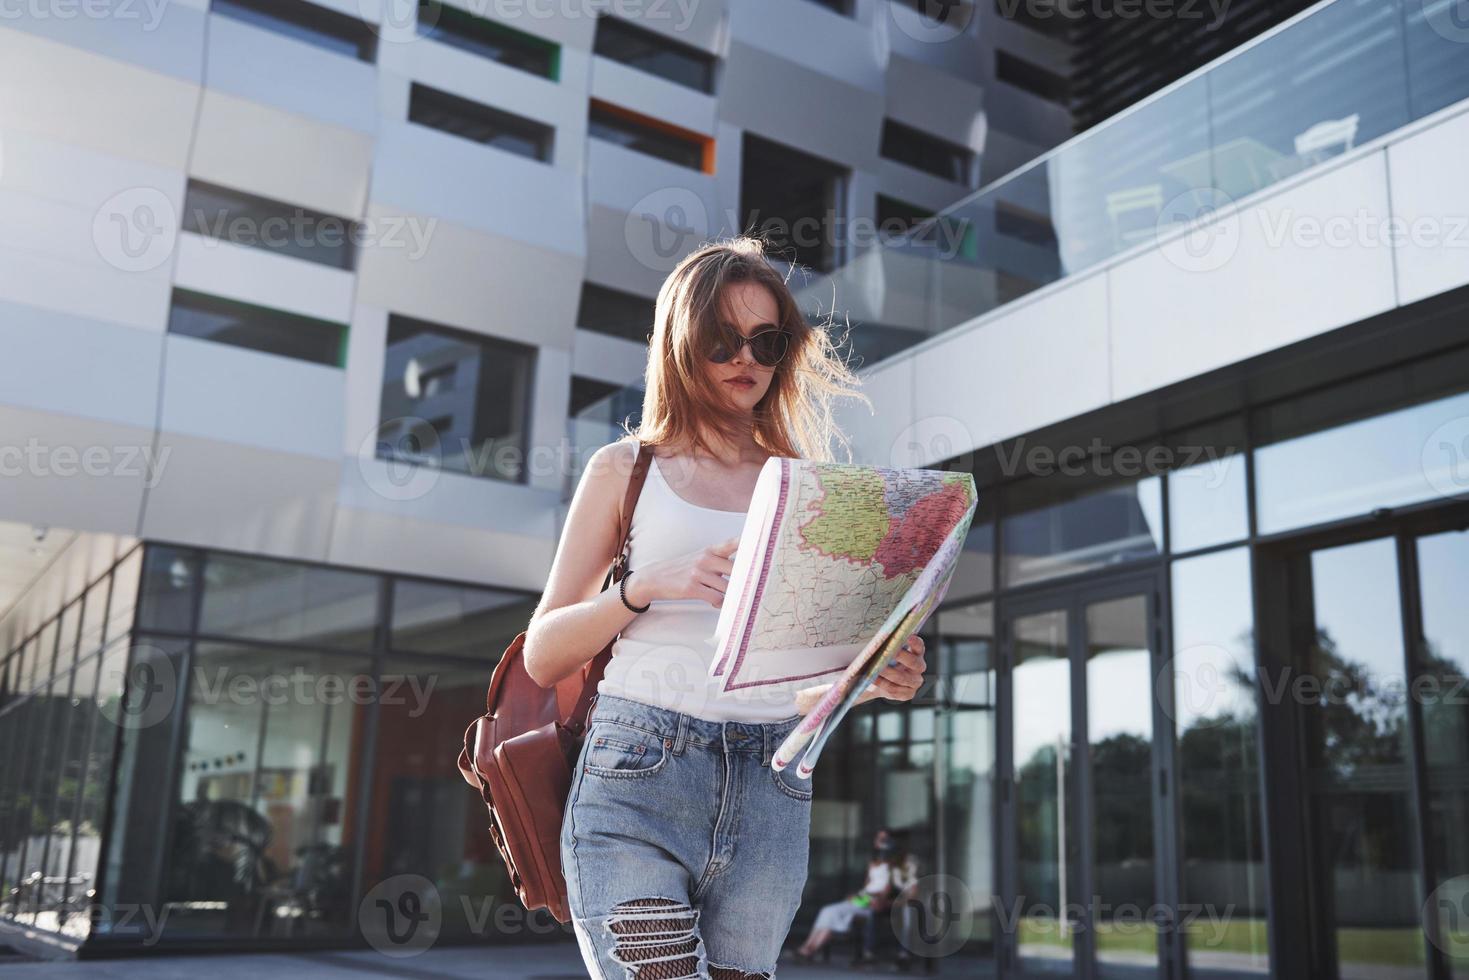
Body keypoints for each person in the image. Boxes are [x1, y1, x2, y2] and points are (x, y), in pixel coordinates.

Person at [525, 237, 931, 980]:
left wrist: (873, 679)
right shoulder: (626, 469)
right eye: (721, 339)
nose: (744, 358)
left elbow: (801, 683)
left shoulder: (810, 488)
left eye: (766, 341)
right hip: (637, 771)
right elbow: (543, 652)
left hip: (771, 783)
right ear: (683, 343)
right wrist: (643, 587)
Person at [789, 829, 912, 964]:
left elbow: (885, 892)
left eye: (884, 839)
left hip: (873, 903)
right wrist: (858, 896)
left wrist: (863, 898)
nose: (880, 842)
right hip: (863, 899)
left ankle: (809, 950)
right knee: (828, 911)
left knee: (836, 914)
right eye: (878, 838)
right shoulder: (874, 863)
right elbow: (867, 886)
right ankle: (807, 947)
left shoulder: (895, 866)